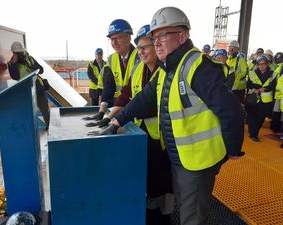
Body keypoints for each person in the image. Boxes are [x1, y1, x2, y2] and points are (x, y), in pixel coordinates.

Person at [96, 6, 244, 225]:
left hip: (198, 160)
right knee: (184, 207)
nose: (156, 42)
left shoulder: (198, 67)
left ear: (182, 36)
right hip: (179, 155)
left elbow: (231, 110)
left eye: (163, 35)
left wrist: (232, 149)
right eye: (154, 37)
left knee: (192, 216)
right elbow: (143, 98)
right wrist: (115, 121)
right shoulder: (167, 69)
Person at [87, 25, 173, 225]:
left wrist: (116, 121)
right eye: (139, 47)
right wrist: (106, 117)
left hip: (165, 136)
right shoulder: (139, 69)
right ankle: (149, 212)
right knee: (148, 178)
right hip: (142, 132)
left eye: (146, 47)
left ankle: (162, 217)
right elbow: (126, 95)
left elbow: (142, 102)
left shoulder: (165, 70)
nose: (141, 51)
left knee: (162, 181)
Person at [83, 19, 139, 121]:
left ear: (129, 37)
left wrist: (109, 117)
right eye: (112, 39)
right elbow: (108, 86)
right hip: (120, 106)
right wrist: (101, 111)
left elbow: (130, 90)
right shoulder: (112, 59)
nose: (114, 43)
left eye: (118, 38)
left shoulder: (140, 57)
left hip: (137, 110)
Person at [7, 41, 50, 130]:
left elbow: (41, 70)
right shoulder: (12, 63)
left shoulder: (30, 59)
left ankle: (49, 128)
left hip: (38, 88)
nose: (20, 54)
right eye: (17, 53)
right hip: (25, 91)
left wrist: (33, 68)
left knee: (45, 110)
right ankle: (29, 131)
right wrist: (14, 64)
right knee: (28, 112)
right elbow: (15, 77)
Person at [246, 55, 276, 142]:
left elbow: (273, 85)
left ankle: (255, 132)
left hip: (265, 101)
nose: (262, 66)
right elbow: (248, 84)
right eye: (260, 64)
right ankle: (253, 134)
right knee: (252, 117)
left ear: (267, 64)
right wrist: (254, 89)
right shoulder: (252, 73)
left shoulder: (273, 73)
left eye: (264, 64)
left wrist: (265, 89)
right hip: (254, 99)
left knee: (261, 118)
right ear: (257, 65)